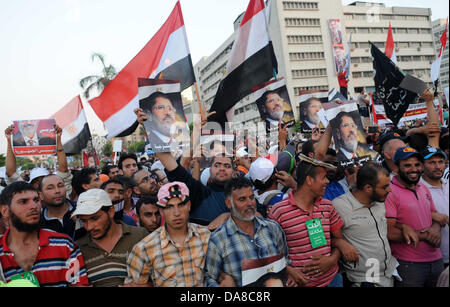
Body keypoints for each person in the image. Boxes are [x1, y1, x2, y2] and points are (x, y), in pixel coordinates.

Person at [269, 155, 354, 287]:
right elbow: (270, 253)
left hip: (332, 281)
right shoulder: (279, 211)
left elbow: (339, 240)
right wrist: (288, 271)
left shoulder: (328, 206)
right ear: (309, 180)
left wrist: (332, 260)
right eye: (323, 178)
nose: (327, 181)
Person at [204, 177, 291, 287]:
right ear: (228, 203)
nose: (249, 203)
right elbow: (210, 277)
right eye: (242, 199)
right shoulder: (218, 240)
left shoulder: (272, 228)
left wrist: (289, 275)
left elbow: (285, 260)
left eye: (251, 197)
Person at [0, 182, 89, 286]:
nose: (34, 206)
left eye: (36, 200)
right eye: (23, 202)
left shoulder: (65, 246)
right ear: (5, 210)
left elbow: (79, 284)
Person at [126, 182, 211, 287]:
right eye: (169, 207)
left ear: (189, 206)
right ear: (161, 211)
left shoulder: (205, 236)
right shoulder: (144, 248)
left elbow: (214, 274)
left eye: (181, 205)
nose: (176, 213)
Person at [333, 162, 403, 287]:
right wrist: (339, 243)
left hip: (389, 275)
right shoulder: (339, 206)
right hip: (363, 280)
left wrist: (404, 227)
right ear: (368, 188)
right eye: (385, 187)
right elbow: (324, 239)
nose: (390, 190)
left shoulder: (380, 201)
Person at [385, 147, 446, 287]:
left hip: (436, 259)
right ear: (396, 167)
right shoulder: (390, 191)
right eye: (407, 165)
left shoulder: (422, 187)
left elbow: (434, 216)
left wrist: (436, 229)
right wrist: (424, 236)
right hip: (409, 264)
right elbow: (390, 232)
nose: (414, 169)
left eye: (417, 164)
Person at [73, 189, 148, 287]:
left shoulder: (140, 236)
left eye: (95, 218)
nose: (89, 226)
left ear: (111, 211)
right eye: (84, 221)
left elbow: (161, 276)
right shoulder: (78, 249)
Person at [420, 146, 449, 267]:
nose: (437, 166)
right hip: (437, 259)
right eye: (432, 162)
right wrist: (433, 216)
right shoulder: (417, 189)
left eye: (440, 162)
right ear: (422, 165)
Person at [38, 174, 85, 240]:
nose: (57, 191)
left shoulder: (81, 211)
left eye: (60, 186)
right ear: (41, 195)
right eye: (50, 188)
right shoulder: (38, 223)